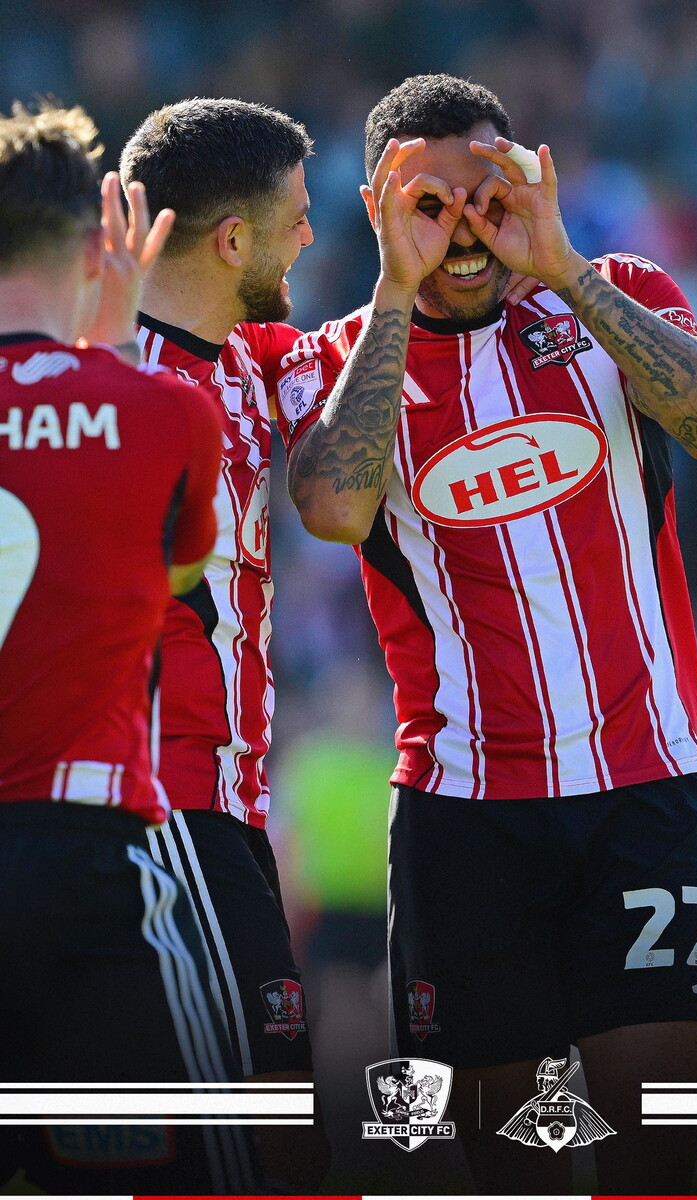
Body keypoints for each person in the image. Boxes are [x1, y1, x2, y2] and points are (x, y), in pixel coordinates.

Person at [277, 73, 697, 1194]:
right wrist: (397, 292)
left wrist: (566, 268)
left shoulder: (616, 295)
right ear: (378, 207)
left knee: (648, 1156)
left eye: (489, 192)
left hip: (649, 786)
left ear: (531, 180)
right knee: (507, 1166)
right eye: (430, 203)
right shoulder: (341, 358)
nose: (466, 227)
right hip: (464, 813)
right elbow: (335, 512)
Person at [0, 100, 261, 1194]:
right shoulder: (167, 413)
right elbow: (168, 583)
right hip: (98, 851)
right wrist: (107, 349)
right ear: (102, 245)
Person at [118, 98, 327, 1191]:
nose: (310, 236)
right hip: (160, 818)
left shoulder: (255, 361)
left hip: (227, 816)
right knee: (256, 1150)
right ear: (232, 239)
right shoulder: (104, 379)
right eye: (296, 216)